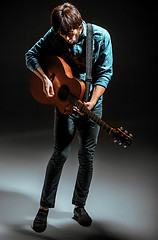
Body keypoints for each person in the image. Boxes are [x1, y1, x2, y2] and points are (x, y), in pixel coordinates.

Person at [25, 2, 113, 232]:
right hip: (65, 105)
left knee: (87, 156)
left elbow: (105, 73)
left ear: (79, 24)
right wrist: (44, 77)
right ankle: (44, 208)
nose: (67, 39)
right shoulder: (56, 34)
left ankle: (79, 206)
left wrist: (91, 102)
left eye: (70, 33)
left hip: (91, 103)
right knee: (59, 154)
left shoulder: (101, 36)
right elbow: (31, 55)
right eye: (62, 35)